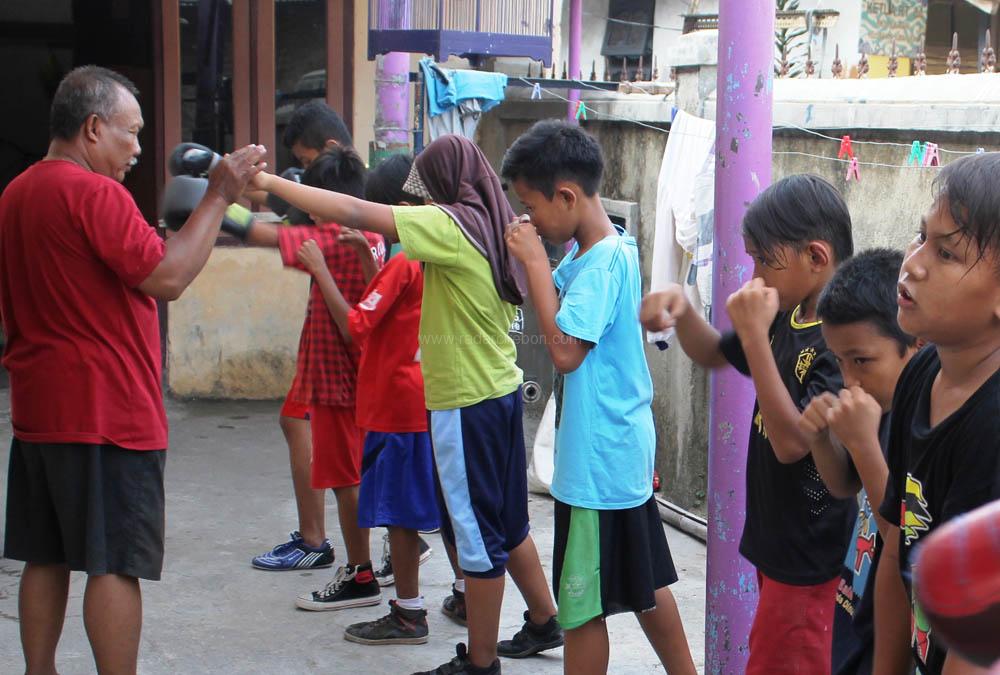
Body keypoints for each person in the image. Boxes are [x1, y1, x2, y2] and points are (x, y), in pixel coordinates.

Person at [251, 134, 562, 675]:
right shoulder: (493, 225)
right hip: (501, 394)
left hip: (464, 405)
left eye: (426, 188)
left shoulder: (450, 224)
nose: (419, 202)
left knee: (476, 537)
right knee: (508, 525)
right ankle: (542, 619)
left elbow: (352, 209)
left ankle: (480, 663)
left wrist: (265, 184)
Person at [0, 65, 264, 674]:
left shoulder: (18, 192)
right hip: (106, 412)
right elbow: (168, 277)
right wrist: (220, 194)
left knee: (45, 554)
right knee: (113, 561)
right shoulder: (94, 193)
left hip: (40, 411)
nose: (139, 149)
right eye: (131, 132)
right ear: (93, 129)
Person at [640, 174, 857, 674]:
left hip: (808, 558)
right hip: (777, 542)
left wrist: (757, 337)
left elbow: (791, 444)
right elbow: (716, 353)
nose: (753, 275)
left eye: (763, 260)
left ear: (816, 258)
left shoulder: (838, 342)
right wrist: (683, 310)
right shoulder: (786, 311)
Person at [501, 120, 696, 675]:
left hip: (598, 463)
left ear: (566, 196)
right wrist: (534, 263)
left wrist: (536, 261)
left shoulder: (600, 261)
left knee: (582, 607)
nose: (532, 220)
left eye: (532, 207)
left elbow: (564, 352)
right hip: (614, 451)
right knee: (644, 583)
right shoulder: (602, 250)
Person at [290, 153, 441, 645]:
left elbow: (358, 325)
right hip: (394, 396)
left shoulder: (398, 260)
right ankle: (425, 588)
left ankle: (384, 594)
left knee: (384, 502)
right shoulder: (399, 255)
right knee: (412, 501)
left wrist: (320, 266)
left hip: (374, 395)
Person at [244, 147, 387, 610]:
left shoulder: (336, 237)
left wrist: (216, 197)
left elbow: (257, 235)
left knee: (348, 480)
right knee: (352, 474)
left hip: (339, 377)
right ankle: (370, 561)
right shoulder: (369, 232)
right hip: (344, 374)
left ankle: (359, 573)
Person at [874, 152, 1000, 675]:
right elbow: (893, 546)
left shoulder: (993, 424)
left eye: (946, 253)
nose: (913, 263)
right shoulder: (922, 372)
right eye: (920, 236)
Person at [797, 249, 920, 675]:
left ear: (914, 344)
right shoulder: (877, 409)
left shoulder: (920, 422)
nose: (849, 379)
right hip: (854, 607)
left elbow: (901, 532)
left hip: (890, 635)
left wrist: (865, 443)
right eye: (840, 362)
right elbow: (845, 485)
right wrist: (820, 440)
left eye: (862, 361)